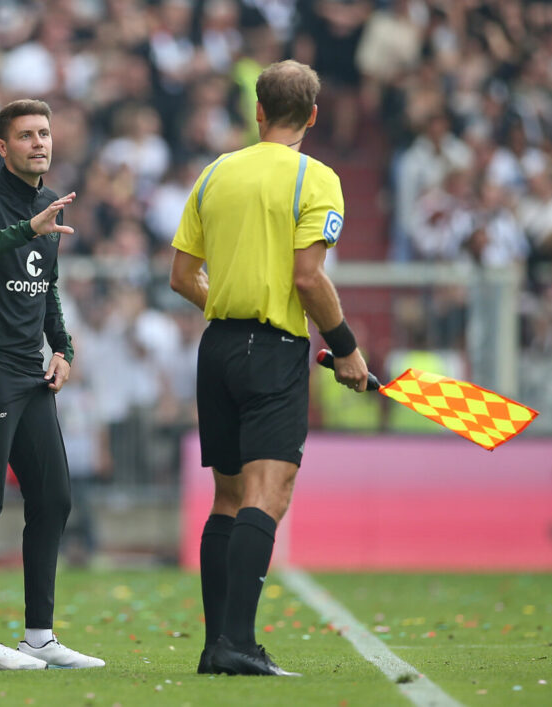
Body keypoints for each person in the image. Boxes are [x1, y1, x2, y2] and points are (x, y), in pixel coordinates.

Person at [169, 60, 369, 676]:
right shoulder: (317, 177)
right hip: (273, 350)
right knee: (268, 493)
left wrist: (230, 302)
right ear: (312, 116)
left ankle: (215, 647)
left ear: (256, 110)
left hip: (217, 349)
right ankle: (236, 644)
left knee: (227, 499)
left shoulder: (214, 173)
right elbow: (308, 278)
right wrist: (347, 347)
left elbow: (181, 277)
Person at [0, 99, 104, 671]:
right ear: (2, 147)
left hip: (29, 372)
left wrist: (63, 348)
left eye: (45, 133)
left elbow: (48, 287)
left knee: (54, 497)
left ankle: (39, 635)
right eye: (27, 135)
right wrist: (23, 229)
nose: (40, 143)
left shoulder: (48, 205)